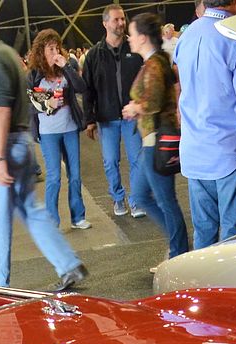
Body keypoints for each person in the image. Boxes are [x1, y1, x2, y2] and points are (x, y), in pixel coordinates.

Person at [0, 7, 88, 291]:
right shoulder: (4, 54)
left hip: (3, 143)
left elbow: (1, 107)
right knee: (30, 209)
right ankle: (68, 263)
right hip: (19, 143)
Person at [175, 0, 236, 248]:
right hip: (229, 149)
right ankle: (228, 283)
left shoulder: (187, 35)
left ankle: (202, 284)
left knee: (203, 230)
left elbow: (182, 87)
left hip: (194, 148)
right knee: (234, 231)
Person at [122, 13, 190, 261]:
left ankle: (179, 251)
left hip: (156, 140)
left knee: (164, 200)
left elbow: (153, 101)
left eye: (131, 33)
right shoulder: (156, 62)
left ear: (142, 37)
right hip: (150, 140)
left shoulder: (154, 64)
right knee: (141, 196)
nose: (129, 38)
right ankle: (178, 244)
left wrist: (134, 107)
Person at [81, 6, 149, 218]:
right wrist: (89, 120)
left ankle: (136, 200)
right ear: (105, 23)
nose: (121, 23)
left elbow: (147, 82)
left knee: (137, 160)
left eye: (123, 19)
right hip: (106, 118)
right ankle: (118, 198)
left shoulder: (135, 50)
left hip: (132, 117)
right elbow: (87, 89)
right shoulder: (94, 55)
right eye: (116, 20)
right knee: (110, 161)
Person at [25, 29, 92, 231]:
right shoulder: (33, 75)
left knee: (75, 174)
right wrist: (47, 103)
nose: (55, 52)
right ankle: (52, 221)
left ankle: (78, 216)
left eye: (57, 47)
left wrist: (67, 68)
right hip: (48, 131)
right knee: (54, 177)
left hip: (70, 127)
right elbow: (27, 104)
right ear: (41, 52)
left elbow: (82, 88)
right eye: (50, 48)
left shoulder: (66, 67)